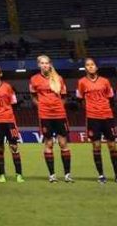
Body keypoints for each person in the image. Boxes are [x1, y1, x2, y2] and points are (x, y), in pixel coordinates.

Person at [76, 58, 117, 184]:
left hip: (107, 117)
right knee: (96, 146)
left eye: (92, 65)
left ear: (96, 68)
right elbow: (80, 100)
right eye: (87, 65)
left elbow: (111, 98)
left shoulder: (105, 81)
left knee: (112, 146)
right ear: (85, 68)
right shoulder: (81, 82)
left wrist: (105, 109)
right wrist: (91, 109)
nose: (90, 67)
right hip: (92, 118)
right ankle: (101, 175)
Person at [30, 55, 72, 183]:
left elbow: (64, 96)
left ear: (50, 64)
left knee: (63, 144)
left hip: (59, 115)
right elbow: (33, 97)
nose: (44, 65)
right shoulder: (34, 79)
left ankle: (67, 175)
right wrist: (42, 106)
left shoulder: (58, 78)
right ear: (38, 65)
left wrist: (57, 106)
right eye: (42, 63)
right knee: (48, 144)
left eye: (47, 63)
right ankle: (52, 175)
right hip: (45, 115)